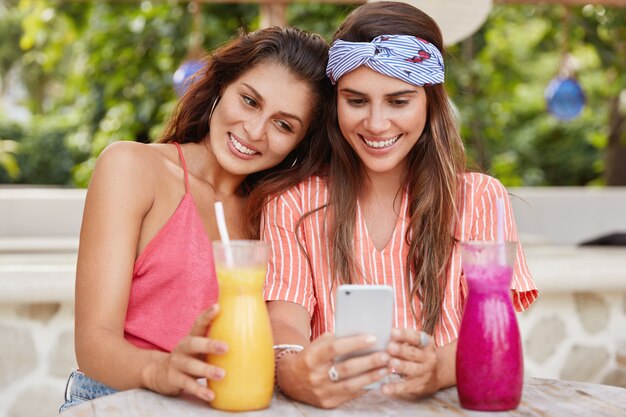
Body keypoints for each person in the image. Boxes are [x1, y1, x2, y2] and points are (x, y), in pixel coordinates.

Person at [263, 1, 538, 409]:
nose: (376, 124)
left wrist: (439, 368)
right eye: (356, 101)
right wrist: (293, 368)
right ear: (335, 102)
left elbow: (495, 326)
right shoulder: (293, 203)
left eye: (398, 101)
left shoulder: (480, 198)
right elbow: (285, 318)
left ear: (430, 103)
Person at [60, 26, 332, 411]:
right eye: (250, 101)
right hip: (119, 401)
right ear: (221, 86)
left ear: (301, 143)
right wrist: (161, 370)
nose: (254, 131)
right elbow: (93, 343)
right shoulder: (133, 168)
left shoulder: (279, 213)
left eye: (284, 124)